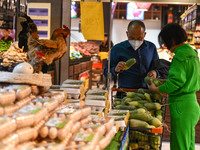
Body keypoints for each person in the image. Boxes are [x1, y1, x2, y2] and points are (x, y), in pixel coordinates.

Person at [147, 23, 200, 150]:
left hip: (181, 105)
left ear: (171, 40)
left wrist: (156, 89)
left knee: (179, 145)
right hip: (191, 103)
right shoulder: (192, 52)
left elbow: (175, 82)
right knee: (188, 144)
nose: (165, 45)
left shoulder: (180, 56)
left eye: (165, 41)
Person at [104, 20, 159, 92]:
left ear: (144, 34)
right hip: (125, 93)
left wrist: (155, 73)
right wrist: (115, 69)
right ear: (127, 34)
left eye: (139, 38)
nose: (135, 41)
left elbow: (158, 68)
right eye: (131, 38)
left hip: (147, 92)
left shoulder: (151, 48)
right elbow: (106, 74)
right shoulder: (117, 49)